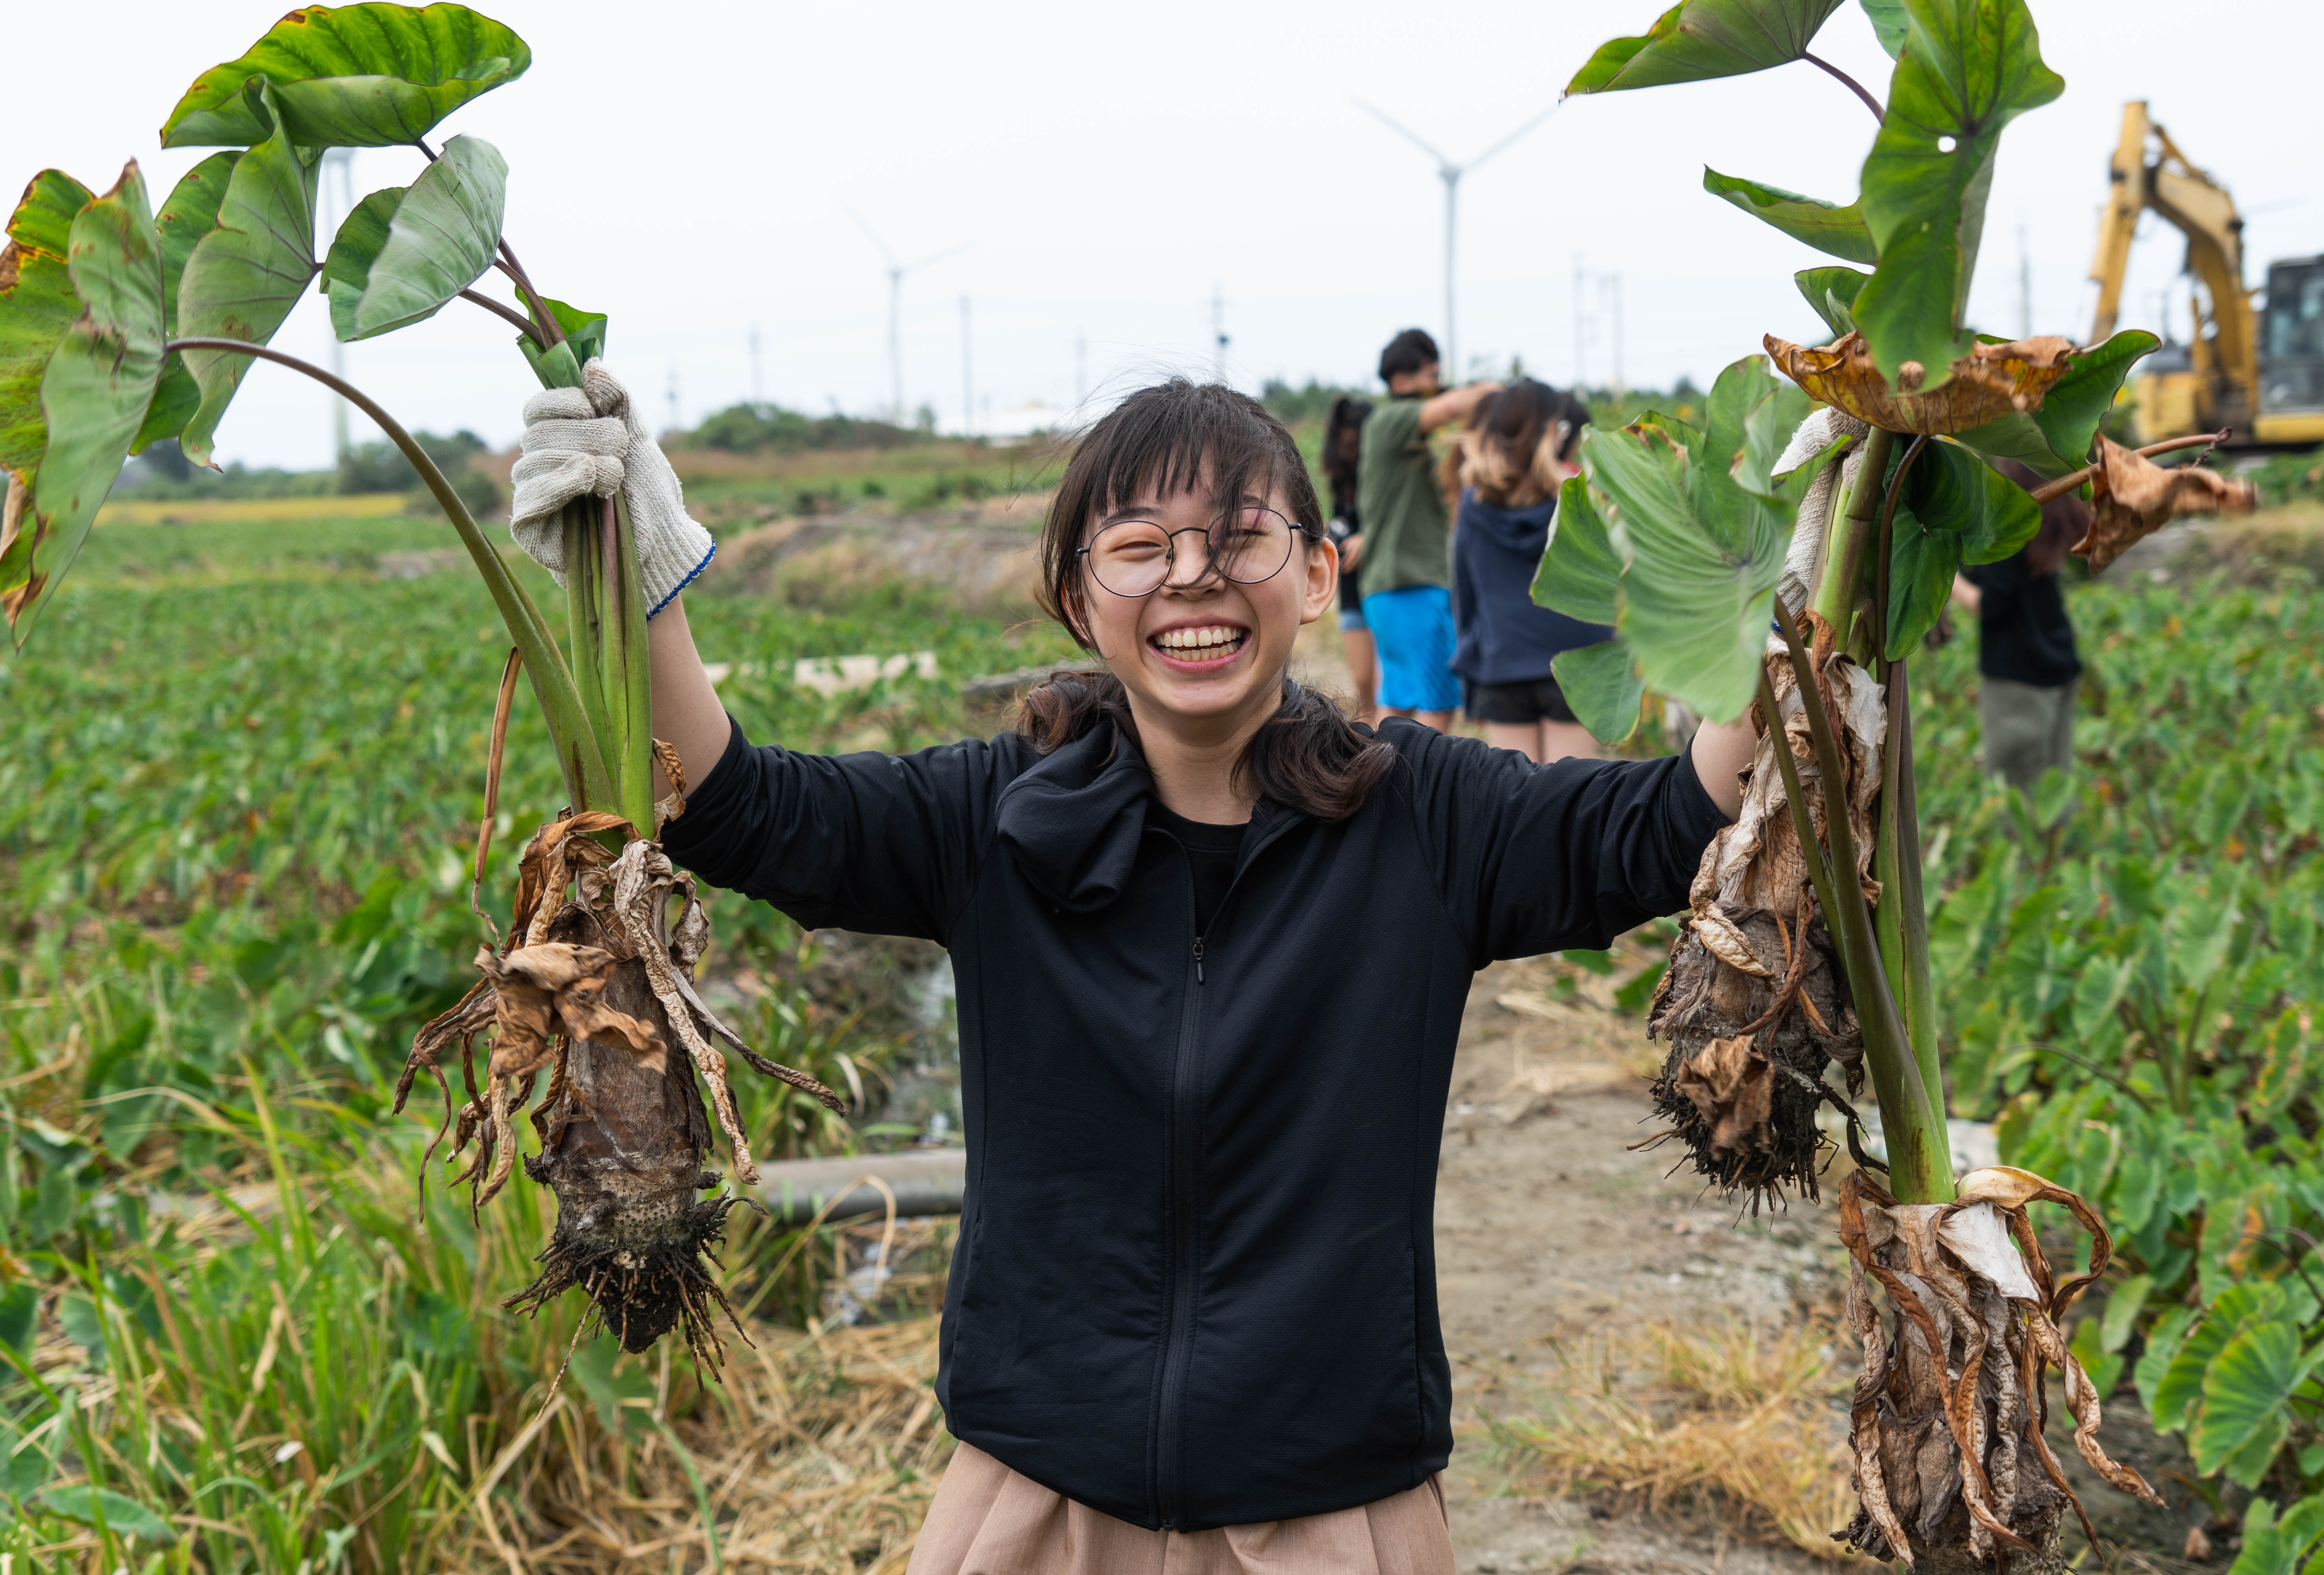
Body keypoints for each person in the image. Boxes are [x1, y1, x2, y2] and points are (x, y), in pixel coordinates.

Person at [510, 368, 1756, 1574]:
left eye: (1237, 539)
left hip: (1329, 1508)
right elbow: (740, 811)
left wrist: (1786, 596)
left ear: (1321, 574)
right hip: (1036, 1495)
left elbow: (1665, 825)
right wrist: (643, 579)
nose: (1192, 579)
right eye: (1140, 546)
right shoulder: (988, 822)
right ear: (1074, 593)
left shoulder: (1425, 819)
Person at [1446, 379, 1612, 763]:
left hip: (1501, 665)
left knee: (1518, 808)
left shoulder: (1472, 505)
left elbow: (1464, 596)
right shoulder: (1582, 497)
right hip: (1577, 665)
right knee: (1568, 802)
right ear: (1552, 433)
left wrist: (1472, 666)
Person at [1355, 329, 1499, 731]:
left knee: (1397, 702)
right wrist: (1507, 395)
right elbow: (1456, 404)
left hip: (1387, 590)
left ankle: (1380, 789)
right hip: (1414, 586)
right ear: (1401, 382)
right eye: (1431, 377)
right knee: (1437, 703)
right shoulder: (1391, 420)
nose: (1438, 387)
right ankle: (1421, 795)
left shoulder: (1397, 435)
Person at [1949, 460, 2092, 795]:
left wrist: (1948, 582)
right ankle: (2056, 847)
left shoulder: (2007, 526)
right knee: (2055, 782)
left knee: (2017, 792)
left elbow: (1991, 605)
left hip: (2019, 676)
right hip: (2058, 660)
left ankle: (2033, 849)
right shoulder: (2049, 514)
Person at [1319, 394, 1379, 720]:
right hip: (1351, 586)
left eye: (1353, 441)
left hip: (1384, 585)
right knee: (1362, 681)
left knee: (1389, 685)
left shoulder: (1383, 479)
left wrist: (1369, 539)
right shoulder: (1341, 482)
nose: (1348, 448)